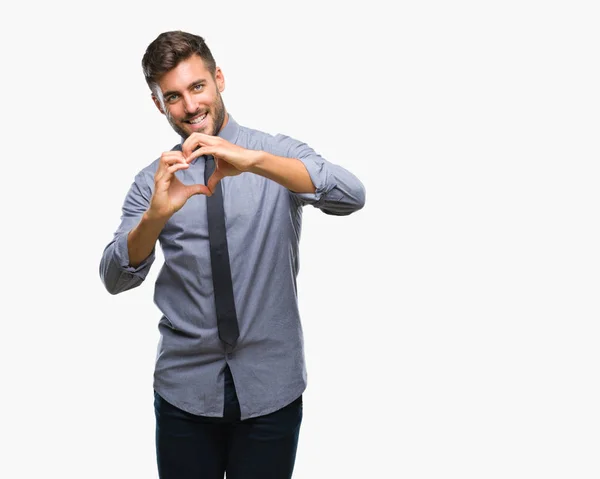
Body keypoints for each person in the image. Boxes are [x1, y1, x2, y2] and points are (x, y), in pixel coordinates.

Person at [99, 30, 365, 479]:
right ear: (159, 105)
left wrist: (254, 161)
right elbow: (114, 277)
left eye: (197, 86)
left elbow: (351, 195)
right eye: (174, 97)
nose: (190, 106)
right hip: (185, 392)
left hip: (271, 390)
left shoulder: (275, 153)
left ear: (218, 79)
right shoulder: (153, 182)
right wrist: (154, 218)